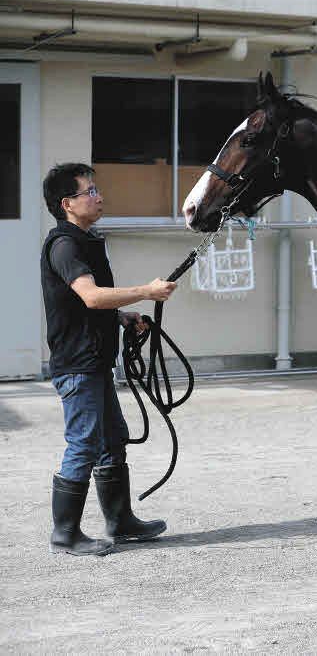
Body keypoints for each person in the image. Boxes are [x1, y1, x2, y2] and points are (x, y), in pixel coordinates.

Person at [40, 163, 177, 556]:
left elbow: (89, 305)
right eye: (90, 191)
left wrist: (123, 317)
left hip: (95, 361)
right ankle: (65, 533)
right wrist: (146, 292)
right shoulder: (64, 244)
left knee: (112, 439)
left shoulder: (85, 240)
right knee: (83, 443)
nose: (99, 197)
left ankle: (121, 521)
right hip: (78, 365)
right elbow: (91, 296)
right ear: (68, 203)